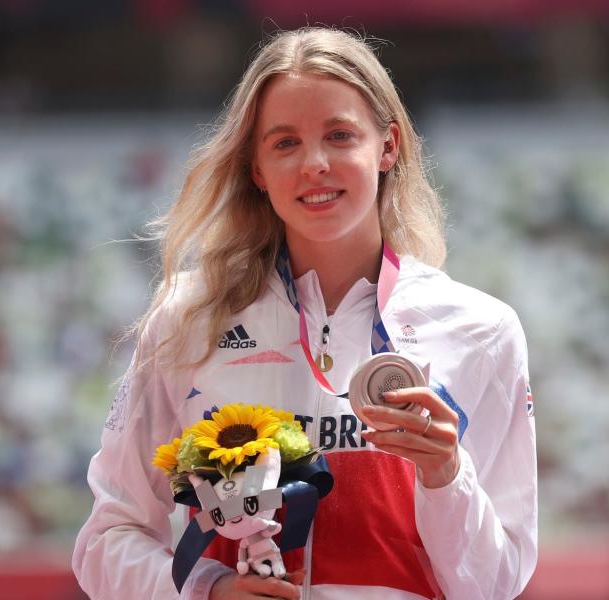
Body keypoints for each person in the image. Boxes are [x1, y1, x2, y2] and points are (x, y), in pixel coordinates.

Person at [73, 27, 537, 600]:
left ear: (387, 147)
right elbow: (107, 537)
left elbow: (496, 585)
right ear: (257, 169)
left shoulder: (481, 330)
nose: (314, 163)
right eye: (285, 143)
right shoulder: (190, 318)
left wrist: (447, 475)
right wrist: (206, 593)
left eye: (340, 136)